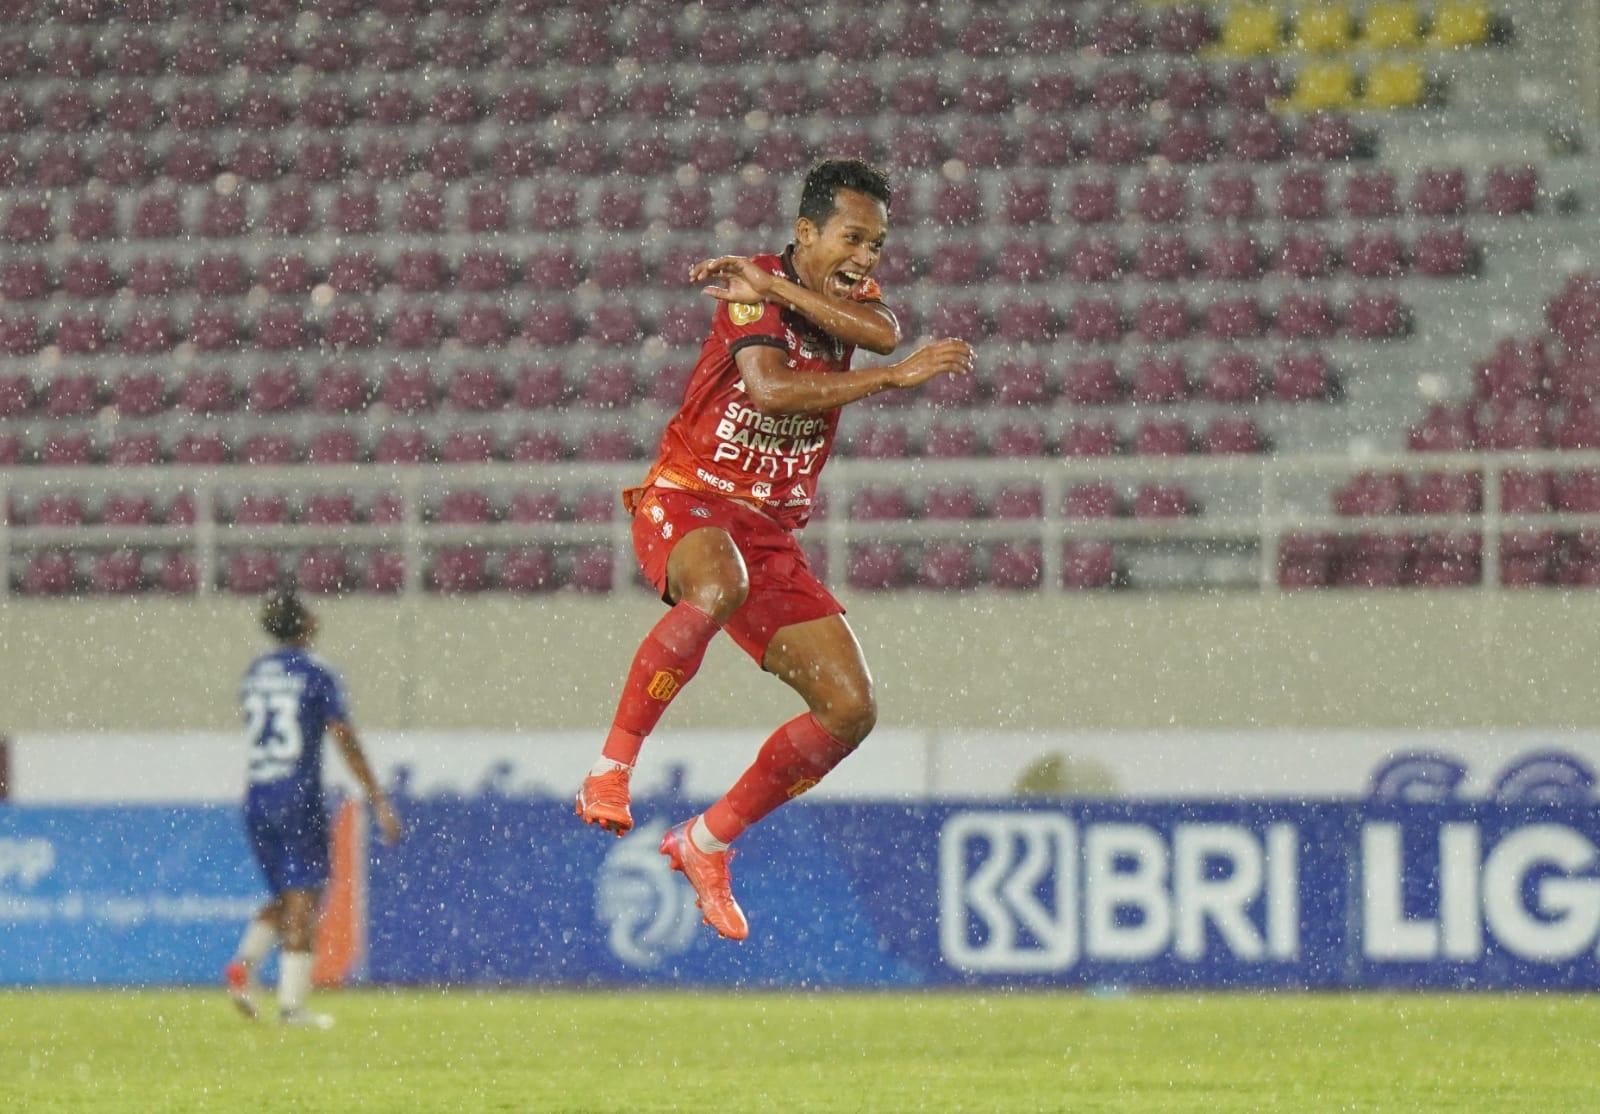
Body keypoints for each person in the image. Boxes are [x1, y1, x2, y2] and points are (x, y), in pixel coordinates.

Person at [576, 157, 976, 940]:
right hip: (689, 498)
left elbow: (884, 331)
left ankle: (706, 841)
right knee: (714, 583)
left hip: (770, 531)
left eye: (879, 245)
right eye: (853, 239)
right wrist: (889, 381)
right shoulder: (747, 283)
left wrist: (805, 301)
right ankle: (611, 768)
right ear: (805, 233)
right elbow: (772, 389)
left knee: (850, 709)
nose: (867, 259)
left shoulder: (830, 296)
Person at [225, 590, 401, 1026]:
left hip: (257, 795)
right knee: (305, 899)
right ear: (304, 624)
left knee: (286, 897)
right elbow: (342, 733)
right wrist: (376, 796)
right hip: (295, 795)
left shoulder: (256, 673)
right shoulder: (317, 674)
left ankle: (243, 969)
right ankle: (291, 1007)